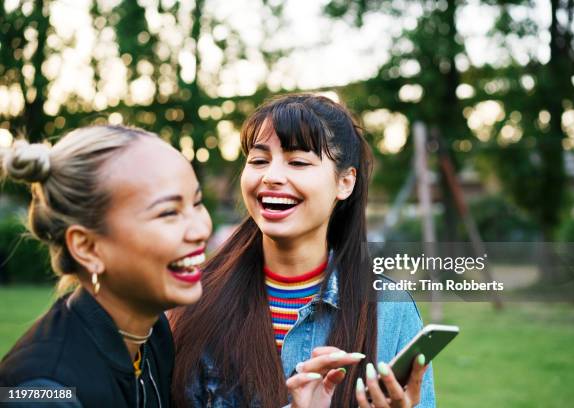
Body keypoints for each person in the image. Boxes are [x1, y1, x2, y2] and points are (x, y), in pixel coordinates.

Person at [170, 94, 435, 407]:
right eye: (258, 160)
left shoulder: (389, 309)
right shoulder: (192, 299)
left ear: (345, 182)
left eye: (298, 162)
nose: (271, 177)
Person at [0, 125, 213, 407]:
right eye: (168, 212)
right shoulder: (45, 392)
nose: (200, 229)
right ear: (87, 247)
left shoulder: (152, 332)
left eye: (197, 203)